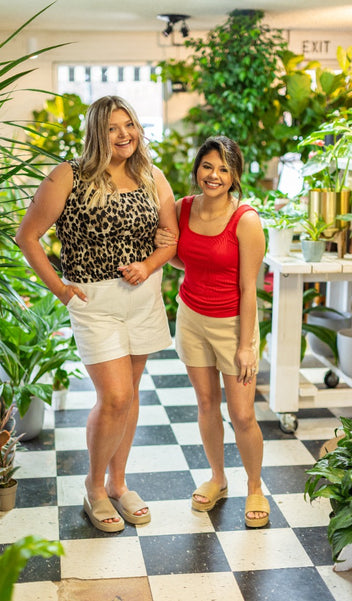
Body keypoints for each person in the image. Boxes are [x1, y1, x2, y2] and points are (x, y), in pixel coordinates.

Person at [15, 95, 178, 533]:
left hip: (143, 297)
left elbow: (171, 238)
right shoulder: (68, 176)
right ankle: (94, 486)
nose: (124, 134)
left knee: (131, 395)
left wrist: (148, 264)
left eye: (129, 124)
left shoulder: (151, 175)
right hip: (94, 302)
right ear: (96, 133)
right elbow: (27, 236)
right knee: (115, 397)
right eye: (112, 127)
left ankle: (118, 483)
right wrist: (61, 291)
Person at [155, 136, 269, 527]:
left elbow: (249, 289)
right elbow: (182, 259)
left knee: (242, 414)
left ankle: (254, 486)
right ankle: (218, 478)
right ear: (197, 168)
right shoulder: (182, 208)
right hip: (191, 319)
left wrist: (246, 346)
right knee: (206, 404)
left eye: (223, 169)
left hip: (233, 324)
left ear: (235, 176)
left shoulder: (246, 220)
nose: (214, 175)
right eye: (207, 166)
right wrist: (166, 247)